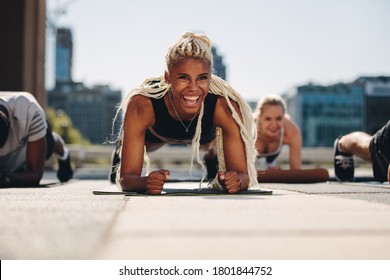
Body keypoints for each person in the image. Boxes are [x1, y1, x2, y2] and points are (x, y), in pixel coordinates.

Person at [109, 31, 258, 194]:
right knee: (132, 153)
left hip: (205, 139)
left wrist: (236, 181)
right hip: (156, 136)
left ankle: (212, 160)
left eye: (202, 78)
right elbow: (127, 179)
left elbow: (244, 176)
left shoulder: (225, 107)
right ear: (167, 77)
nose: (193, 88)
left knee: (212, 147)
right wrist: (145, 182)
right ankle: (120, 153)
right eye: (183, 78)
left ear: (210, 77)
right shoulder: (142, 104)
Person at [0, 91, 73, 187]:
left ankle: (62, 150)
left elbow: (35, 174)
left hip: (28, 142)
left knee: (49, 143)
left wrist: (6, 179)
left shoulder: (29, 110)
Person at [253, 94, 302, 170]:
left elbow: (296, 170)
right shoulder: (249, 130)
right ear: (259, 118)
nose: (274, 125)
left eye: (278, 118)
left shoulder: (292, 131)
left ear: (284, 117)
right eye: (268, 119)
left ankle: (270, 164)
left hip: (271, 159)